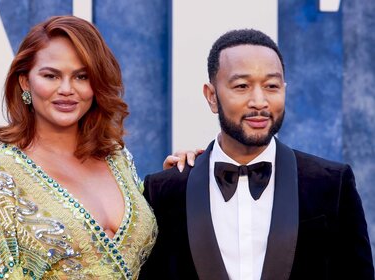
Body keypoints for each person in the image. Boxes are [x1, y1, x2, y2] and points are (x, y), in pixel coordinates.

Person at [0, 15, 193, 280]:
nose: (67, 89)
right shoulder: (2, 175)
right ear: (25, 82)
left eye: (81, 76)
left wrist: (177, 178)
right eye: (51, 76)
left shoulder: (116, 156)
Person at [140, 29, 374, 280]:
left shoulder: (332, 183)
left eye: (271, 86)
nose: (259, 101)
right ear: (212, 97)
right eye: (242, 86)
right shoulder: (165, 189)